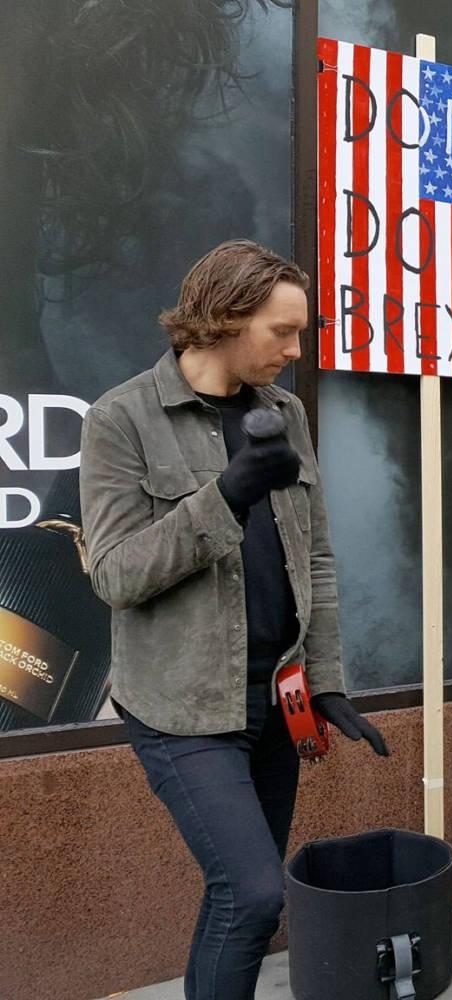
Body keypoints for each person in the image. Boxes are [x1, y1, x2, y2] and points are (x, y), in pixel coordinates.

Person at [79, 239, 388, 999]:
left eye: (300, 332)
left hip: (275, 697)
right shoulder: (121, 418)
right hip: (182, 708)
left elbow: (313, 556)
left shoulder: (284, 412)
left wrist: (328, 681)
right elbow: (116, 574)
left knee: (239, 901)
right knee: (253, 894)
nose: (294, 348)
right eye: (280, 332)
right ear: (221, 319)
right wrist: (227, 494)